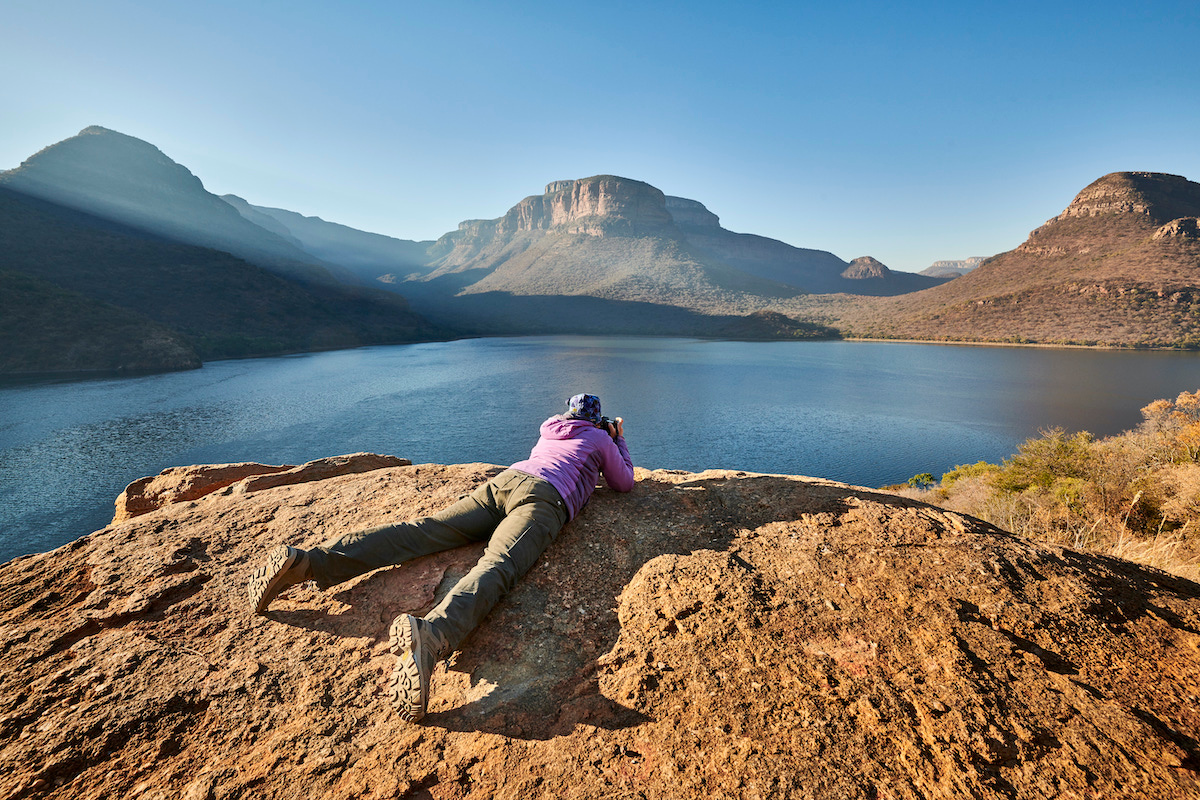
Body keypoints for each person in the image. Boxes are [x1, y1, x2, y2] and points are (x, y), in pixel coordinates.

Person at [247, 393, 635, 722]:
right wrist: (617, 439)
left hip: (504, 482)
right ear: (597, 421)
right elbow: (623, 482)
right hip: (544, 500)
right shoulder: (599, 439)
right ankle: (432, 635)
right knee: (498, 565)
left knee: (422, 531)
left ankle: (307, 561)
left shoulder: (550, 427)